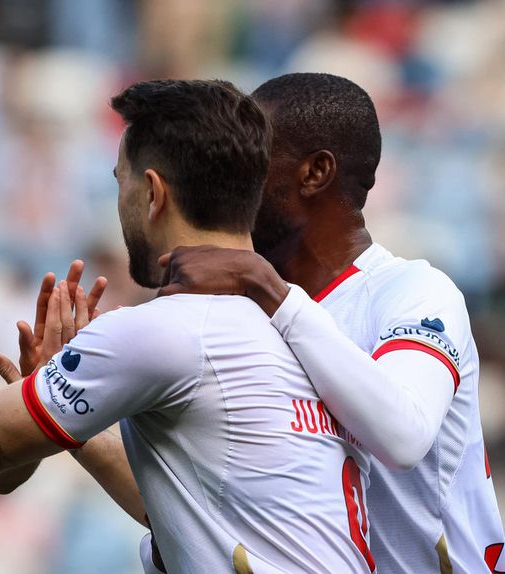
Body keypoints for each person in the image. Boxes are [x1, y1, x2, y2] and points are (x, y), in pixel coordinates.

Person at [0, 79, 376, 573]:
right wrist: (69, 407)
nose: (120, 202)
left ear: (154, 193)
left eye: (122, 182)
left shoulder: (165, 330)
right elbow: (186, 511)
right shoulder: (302, 329)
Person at [159, 72, 505, 572]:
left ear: (315, 173)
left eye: (251, 158)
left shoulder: (414, 292)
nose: (228, 178)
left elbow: (402, 436)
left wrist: (269, 290)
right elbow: (189, 512)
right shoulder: (246, 314)